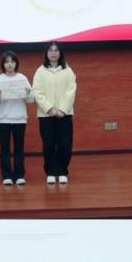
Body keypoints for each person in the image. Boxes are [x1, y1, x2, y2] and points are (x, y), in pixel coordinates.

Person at [32, 41, 77, 184]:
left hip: (65, 114)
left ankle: (62, 171)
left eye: (56, 50)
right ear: (46, 53)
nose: (53, 53)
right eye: (50, 50)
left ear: (60, 53)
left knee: (65, 144)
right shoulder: (40, 71)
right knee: (49, 144)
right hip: (46, 115)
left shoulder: (67, 70)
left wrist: (63, 109)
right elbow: (37, 92)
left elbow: (71, 91)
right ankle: (50, 172)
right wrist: (50, 109)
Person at [0, 50, 34, 185]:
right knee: (4, 148)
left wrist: (28, 93)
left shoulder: (22, 78)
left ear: (16, 63)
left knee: (19, 148)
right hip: (3, 119)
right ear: (3, 64)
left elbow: (31, 100)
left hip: (20, 118)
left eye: (12, 61)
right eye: (6, 62)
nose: (9, 64)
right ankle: (7, 176)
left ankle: (19, 175)